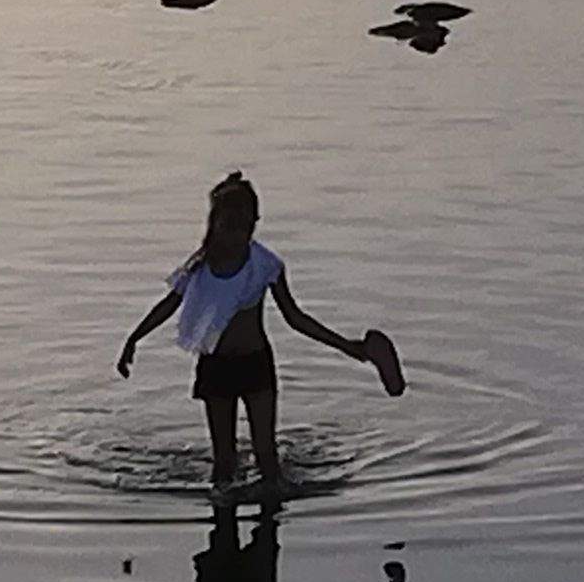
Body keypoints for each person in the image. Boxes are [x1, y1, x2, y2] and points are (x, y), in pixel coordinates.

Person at [114, 169, 401, 501]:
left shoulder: (264, 265)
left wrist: (348, 347)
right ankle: (223, 532)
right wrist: (134, 338)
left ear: (255, 224)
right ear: (214, 224)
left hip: (255, 365)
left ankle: (269, 525)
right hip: (216, 366)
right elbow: (170, 304)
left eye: (246, 227)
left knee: (267, 456)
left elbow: (295, 318)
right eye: (229, 226)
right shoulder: (199, 267)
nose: (237, 236)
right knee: (223, 463)